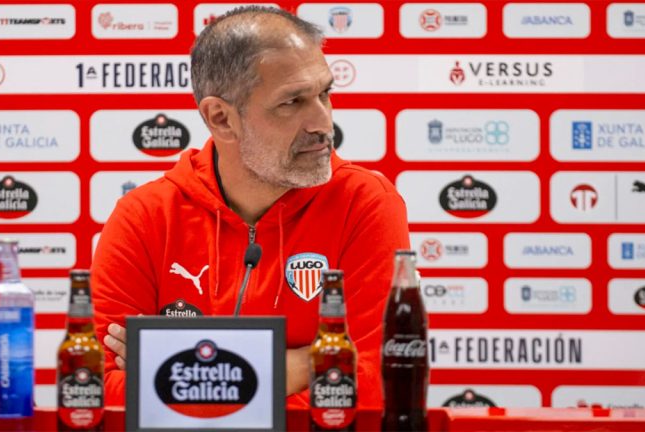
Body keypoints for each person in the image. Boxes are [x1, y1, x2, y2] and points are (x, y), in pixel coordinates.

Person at [91, 6, 410, 410]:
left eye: (324, 93)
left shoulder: (365, 204)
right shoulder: (144, 215)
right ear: (221, 118)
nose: (323, 122)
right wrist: (303, 364)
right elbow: (96, 386)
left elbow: (377, 380)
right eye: (292, 102)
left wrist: (179, 369)